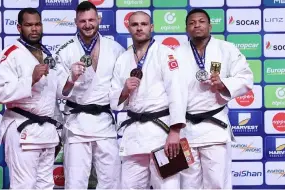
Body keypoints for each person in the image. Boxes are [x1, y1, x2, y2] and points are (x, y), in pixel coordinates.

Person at [0, 8, 82, 189]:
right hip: (22, 128)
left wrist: (71, 79)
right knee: (24, 185)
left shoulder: (47, 55)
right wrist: (30, 79)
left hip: (46, 131)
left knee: (45, 185)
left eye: (37, 24)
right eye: (29, 25)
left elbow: (58, 91)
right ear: (19, 27)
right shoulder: (11, 54)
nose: (34, 29)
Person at [174, 8, 254, 189]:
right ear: (186, 28)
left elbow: (246, 78)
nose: (197, 25)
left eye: (201, 21)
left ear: (210, 26)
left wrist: (223, 83)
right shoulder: (176, 54)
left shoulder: (227, 49)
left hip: (214, 127)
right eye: (192, 23)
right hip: (186, 130)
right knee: (188, 184)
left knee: (217, 183)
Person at [109, 11, 188, 189]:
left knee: (168, 186)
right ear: (128, 28)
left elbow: (177, 92)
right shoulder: (123, 59)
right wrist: (124, 90)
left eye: (143, 24)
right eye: (135, 24)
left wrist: (175, 131)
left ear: (151, 27)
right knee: (129, 186)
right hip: (134, 136)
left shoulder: (165, 54)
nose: (139, 28)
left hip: (162, 134)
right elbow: (114, 100)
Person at [54, 1, 125, 189]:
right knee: (75, 181)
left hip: (104, 123)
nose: (88, 24)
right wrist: (71, 78)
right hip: (76, 124)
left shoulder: (115, 49)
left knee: (111, 180)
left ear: (99, 20)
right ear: (76, 22)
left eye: (91, 20)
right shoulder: (65, 50)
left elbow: (121, 87)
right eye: (83, 21)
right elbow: (59, 92)